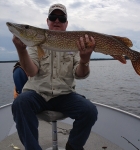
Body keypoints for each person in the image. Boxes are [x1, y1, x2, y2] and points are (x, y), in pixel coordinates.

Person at [12, 3, 98, 150]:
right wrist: (21, 50)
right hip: (37, 93)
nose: (57, 20)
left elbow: (80, 75)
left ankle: (73, 146)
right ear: (47, 21)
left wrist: (84, 60)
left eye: (61, 18)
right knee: (21, 103)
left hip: (65, 95)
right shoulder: (35, 42)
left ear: (66, 23)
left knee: (89, 110)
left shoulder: (76, 44)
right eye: (53, 17)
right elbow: (32, 72)